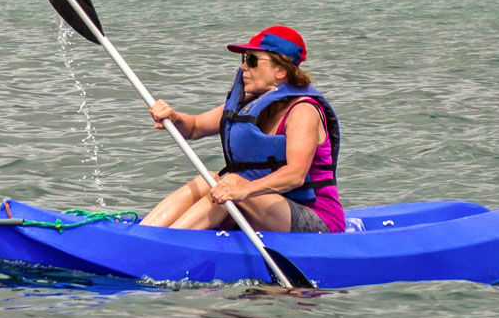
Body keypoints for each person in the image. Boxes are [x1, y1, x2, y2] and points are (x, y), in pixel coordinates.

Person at [143, 26, 348, 233]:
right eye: (244, 59)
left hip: (319, 220)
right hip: (265, 208)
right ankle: (146, 234)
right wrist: (174, 117)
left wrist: (243, 189)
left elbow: (295, 175)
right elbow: (194, 128)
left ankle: (171, 243)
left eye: (252, 61)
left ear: (280, 71)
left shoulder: (303, 111)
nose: (243, 67)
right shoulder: (248, 107)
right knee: (209, 180)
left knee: (229, 182)